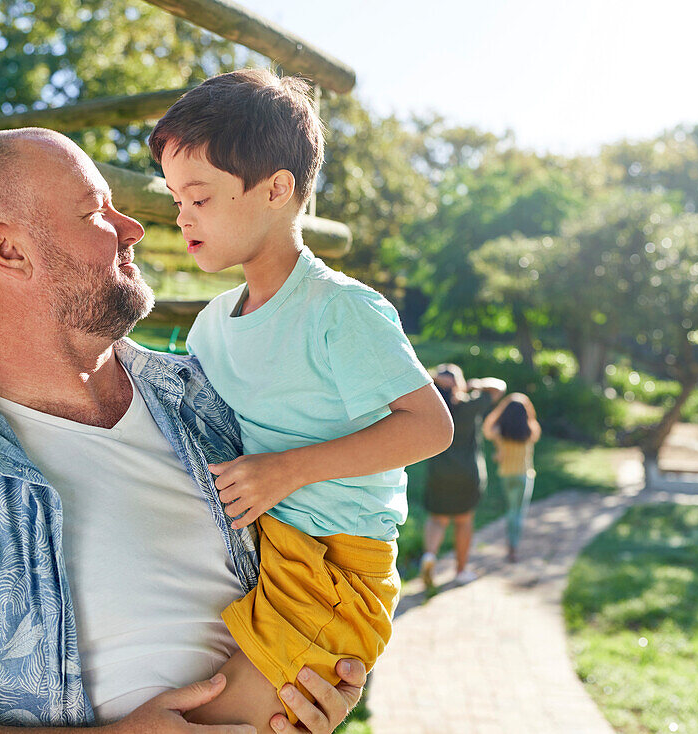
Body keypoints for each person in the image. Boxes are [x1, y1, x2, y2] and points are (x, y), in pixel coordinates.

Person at [0, 127, 367, 734]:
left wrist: (309, 683)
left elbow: (333, 540)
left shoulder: (212, 399)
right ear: (8, 250)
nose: (133, 227)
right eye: (95, 211)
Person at [150, 69, 454, 733]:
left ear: (276, 190)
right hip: (261, 554)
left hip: (333, 572)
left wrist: (288, 471)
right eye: (175, 198)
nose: (181, 215)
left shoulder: (338, 309)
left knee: (206, 722)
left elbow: (429, 428)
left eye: (198, 196)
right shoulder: (210, 326)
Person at [418, 364, 506, 589]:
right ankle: (461, 570)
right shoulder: (470, 405)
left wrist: (433, 378)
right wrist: (471, 384)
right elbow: (499, 387)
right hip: (468, 473)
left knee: (437, 519)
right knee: (464, 521)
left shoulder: (430, 407)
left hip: (439, 472)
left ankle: (429, 556)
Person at [482, 393, 542, 562]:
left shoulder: (500, 431)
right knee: (518, 511)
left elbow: (487, 429)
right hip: (524, 475)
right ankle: (513, 547)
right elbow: (534, 427)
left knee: (511, 510)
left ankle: (511, 545)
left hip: (506, 474)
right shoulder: (530, 430)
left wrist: (500, 409)